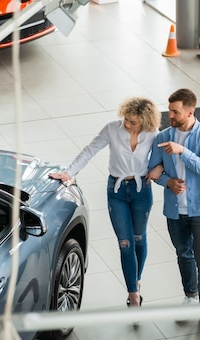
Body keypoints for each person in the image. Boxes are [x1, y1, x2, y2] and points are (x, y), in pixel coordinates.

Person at [49, 97, 161, 308]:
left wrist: (160, 169)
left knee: (139, 239)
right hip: (117, 192)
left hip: (142, 192)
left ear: (145, 122)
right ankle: (134, 294)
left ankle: (135, 279)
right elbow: (90, 150)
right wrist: (69, 173)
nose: (127, 124)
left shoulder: (153, 135)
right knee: (125, 244)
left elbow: (163, 159)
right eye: (126, 119)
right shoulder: (112, 129)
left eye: (133, 122)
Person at [147, 88, 200, 333]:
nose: (171, 115)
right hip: (175, 211)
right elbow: (152, 171)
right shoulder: (163, 136)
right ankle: (191, 297)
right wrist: (166, 181)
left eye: (175, 111)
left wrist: (182, 152)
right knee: (184, 255)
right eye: (170, 110)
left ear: (190, 111)